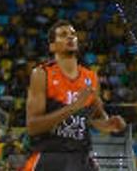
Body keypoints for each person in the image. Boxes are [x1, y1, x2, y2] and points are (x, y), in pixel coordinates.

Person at [22, 21, 126, 170]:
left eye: (73, 34)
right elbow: (33, 127)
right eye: (63, 35)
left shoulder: (91, 77)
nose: (70, 37)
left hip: (81, 156)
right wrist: (73, 107)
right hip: (51, 155)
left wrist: (108, 125)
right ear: (52, 46)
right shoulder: (42, 74)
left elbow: (95, 117)